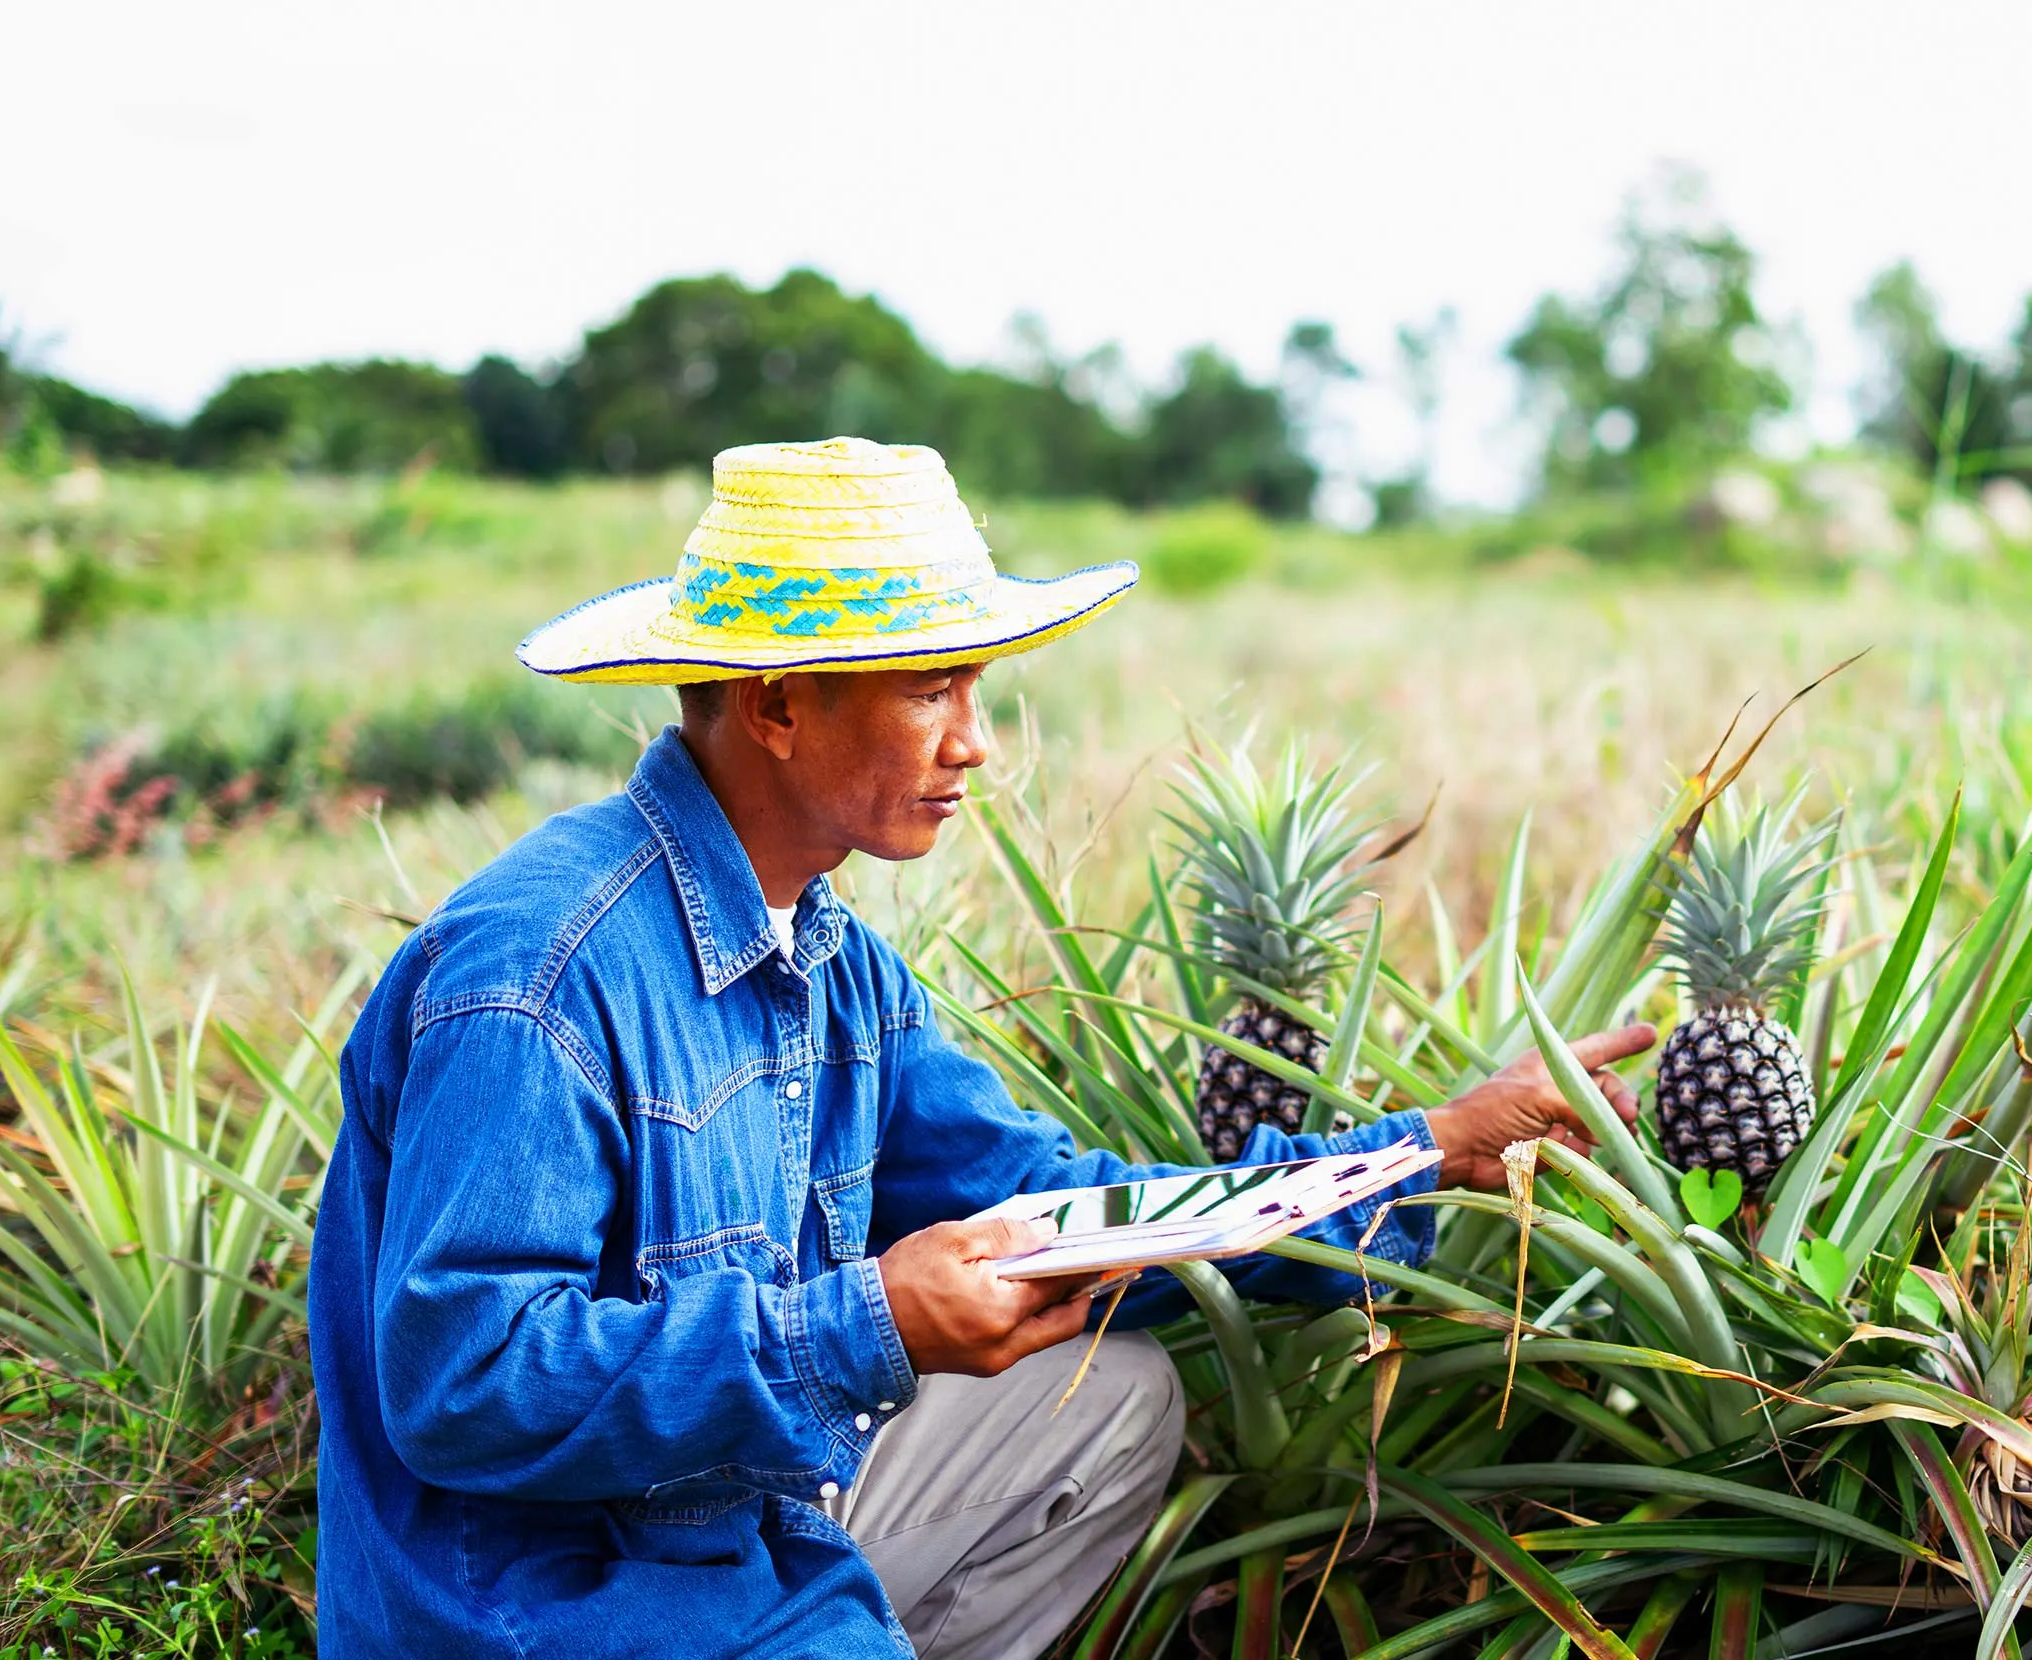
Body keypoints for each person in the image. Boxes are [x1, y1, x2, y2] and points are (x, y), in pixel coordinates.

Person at [307, 437, 1655, 1659]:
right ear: (778, 707)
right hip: (539, 1606)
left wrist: (1422, 1153)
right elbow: (466, 1380)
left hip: (728, 1519)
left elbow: (1060, 1213)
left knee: (1105, 1401)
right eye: (936, 689)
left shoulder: (843, 977)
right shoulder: (541, 974)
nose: (977, 745)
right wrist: (865, 1323)